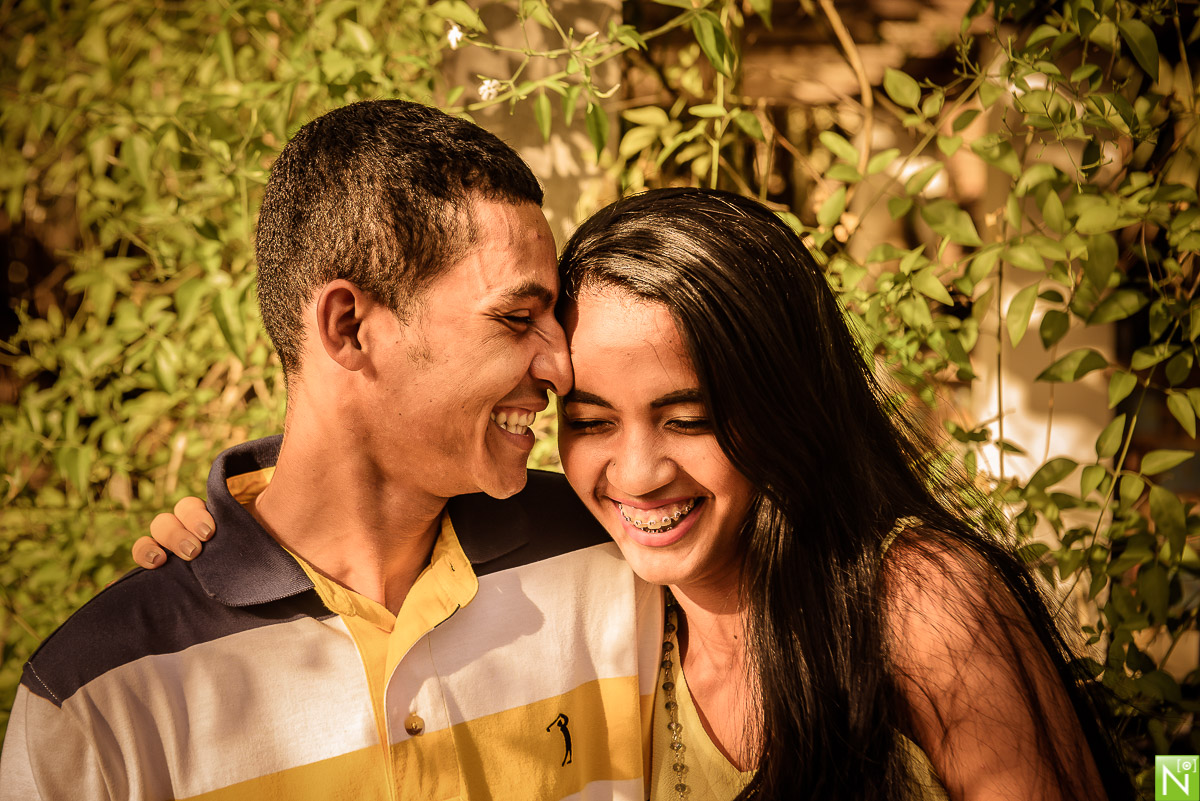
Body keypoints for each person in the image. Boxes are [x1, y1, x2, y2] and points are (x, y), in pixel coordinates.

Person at [141, 188, 1135, 800]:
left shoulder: (909, 600)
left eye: (690, 417)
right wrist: (224, 539)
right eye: (591, 420)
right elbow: (371, 491)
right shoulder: (595, 588)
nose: (639, 472)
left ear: (780, 406)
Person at [0, 100, 661, 801]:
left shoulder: (616, 556)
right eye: (516, 318)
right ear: (348, 326)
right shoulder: (99, 695)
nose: (560, 368)